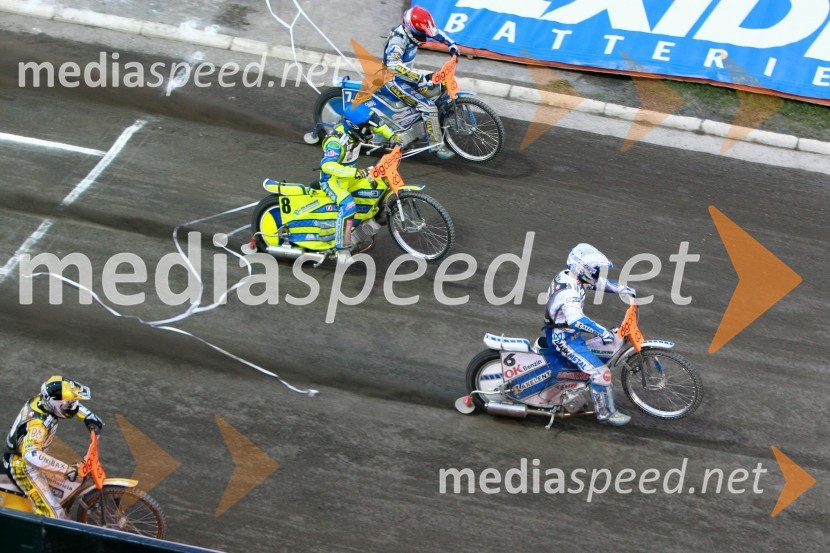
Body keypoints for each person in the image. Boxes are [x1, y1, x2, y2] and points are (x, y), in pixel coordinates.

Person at [542, 244, 636, 426]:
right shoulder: (569, 293)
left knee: (611, 342)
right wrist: (602, 332)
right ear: (583, 269)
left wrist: (621, 289)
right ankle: (606, 414)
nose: (597, 274)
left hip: (570, 335)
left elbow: (597, 283)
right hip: (564, 339)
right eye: (595, 270)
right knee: (602, 374)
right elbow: (576, 320)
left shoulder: (569, 276)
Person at [2, 375, 104, 519]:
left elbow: (67, 404)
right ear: (55, 404)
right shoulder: (38, 425)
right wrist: (66, 470)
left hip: (29, 454)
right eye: (69, 404)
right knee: (54, 516)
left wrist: (88, 417)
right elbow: (31, 456)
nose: (73, 406)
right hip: (24, 466)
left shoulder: (44, 400)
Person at [320, 101, 401, 264]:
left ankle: (372, 222)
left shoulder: (359, 124)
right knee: (349, 207)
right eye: (366, 128)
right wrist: (354, 172)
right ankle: (341, 249)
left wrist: (392, 136)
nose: (370, 131)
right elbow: (327, 165)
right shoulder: (336, 142)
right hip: (333, 181)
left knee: (380, 186)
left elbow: (377, 124)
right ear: (355, 127)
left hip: (352, 177)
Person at [382, 5, 459, 159]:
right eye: (422, 33)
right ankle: (437, 146)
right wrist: (420, 78)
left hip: (408, 76)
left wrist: (451, 44)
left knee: (440, 87)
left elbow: (435, 32)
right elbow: (393, 65)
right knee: (428, 107)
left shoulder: (413, 30)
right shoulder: (398, 40)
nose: (426, 36)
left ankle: (420, 125)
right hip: (393, 80)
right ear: (412, 30)